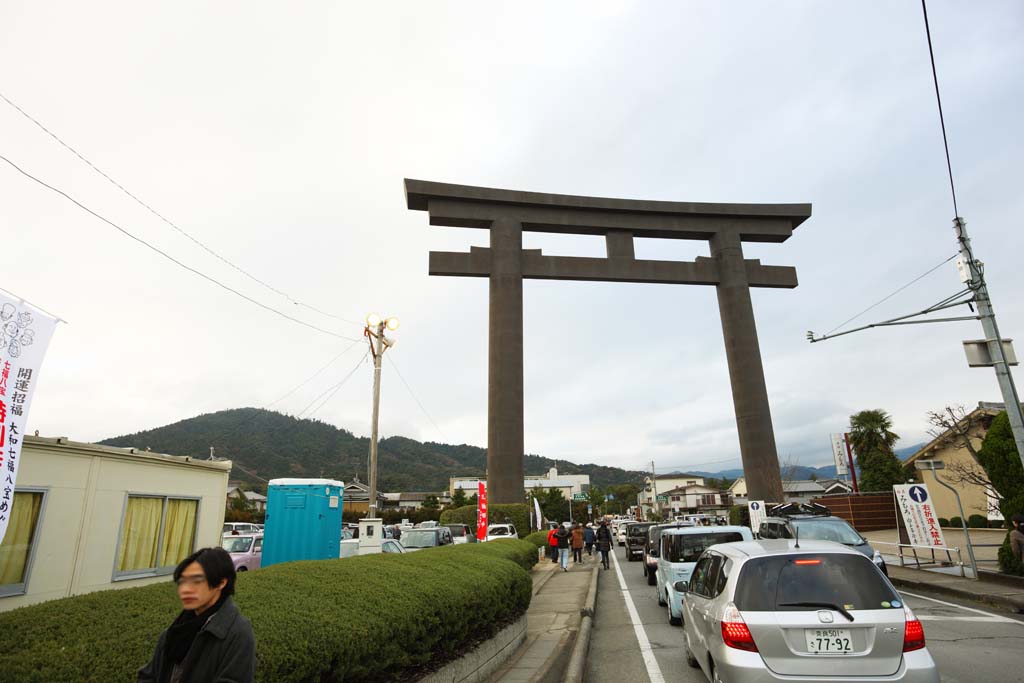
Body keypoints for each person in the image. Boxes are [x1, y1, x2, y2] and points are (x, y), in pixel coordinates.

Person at [138, 547, 256, 683]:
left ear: (221, 583)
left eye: (197, 581)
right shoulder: (176, 628)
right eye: (182, 582)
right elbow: (149, 675)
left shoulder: (238, 633)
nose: (186, 589)